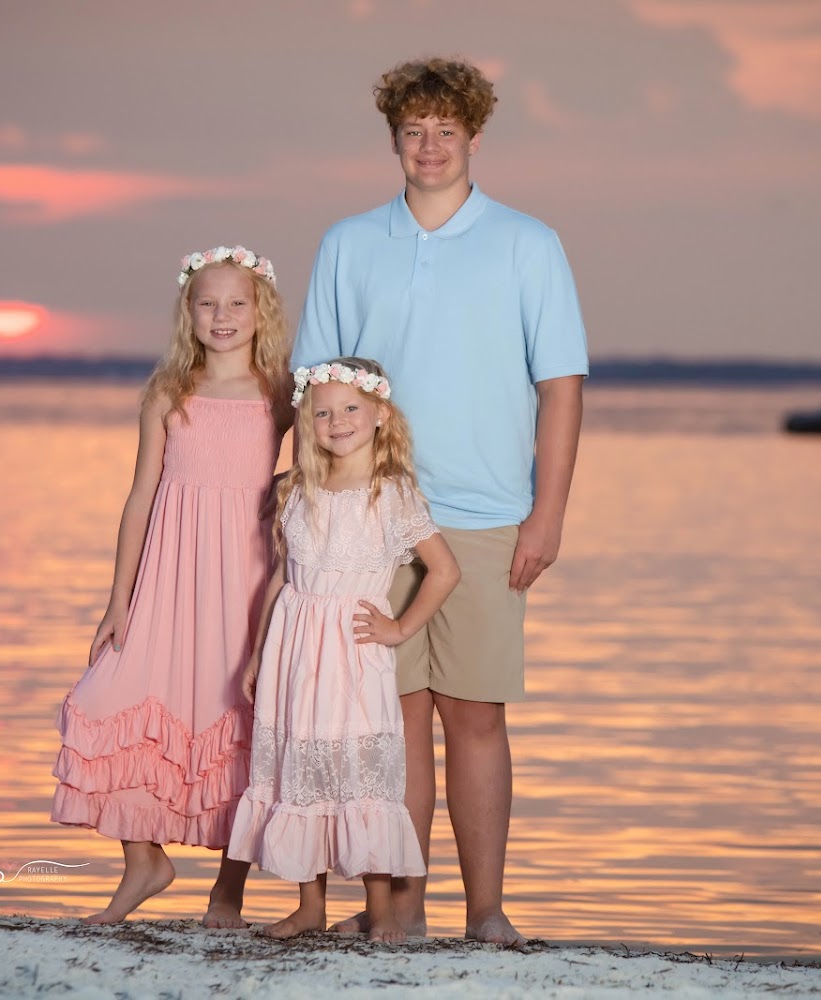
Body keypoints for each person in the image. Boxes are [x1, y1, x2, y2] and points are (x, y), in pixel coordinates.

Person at [291, 57, 588, 946]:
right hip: (366, 517)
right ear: (394, 137)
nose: (429, 146)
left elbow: (561, 386)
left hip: (488, 513)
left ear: (473, 137)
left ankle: (487, 912)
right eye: (414, 130)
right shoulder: (349, 243)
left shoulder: (528, 244)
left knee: (477, 716)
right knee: (392, 724)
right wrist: (304, 512)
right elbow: (311, 389)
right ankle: (402, 910)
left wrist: (547, 514)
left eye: (445, 131)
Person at [51, 245, 293, 926]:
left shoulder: (281, 393)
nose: (222, 315)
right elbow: (139, 498)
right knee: (108, 693)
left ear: (261, 311)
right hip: (168, 575)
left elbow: (310, 482)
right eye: (207, 303)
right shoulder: (168, 392)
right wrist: (117, 600)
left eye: (237, 303)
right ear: (188, 312)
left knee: (240, 717)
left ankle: (228, 891)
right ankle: (145, 863)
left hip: (247, 576)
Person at [228, 358, 461, 944]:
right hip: (294, 651)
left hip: (354, 655)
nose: (337, 422)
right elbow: (281, 577)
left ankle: (382, 912)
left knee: (359, 773)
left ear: (380, 414)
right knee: (301, 767)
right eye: (323, 412)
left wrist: (399, 628)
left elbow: (445, 570)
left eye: (351, 408)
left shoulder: (393, 494)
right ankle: (309, 905)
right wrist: (257, 654)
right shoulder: (297, 490)